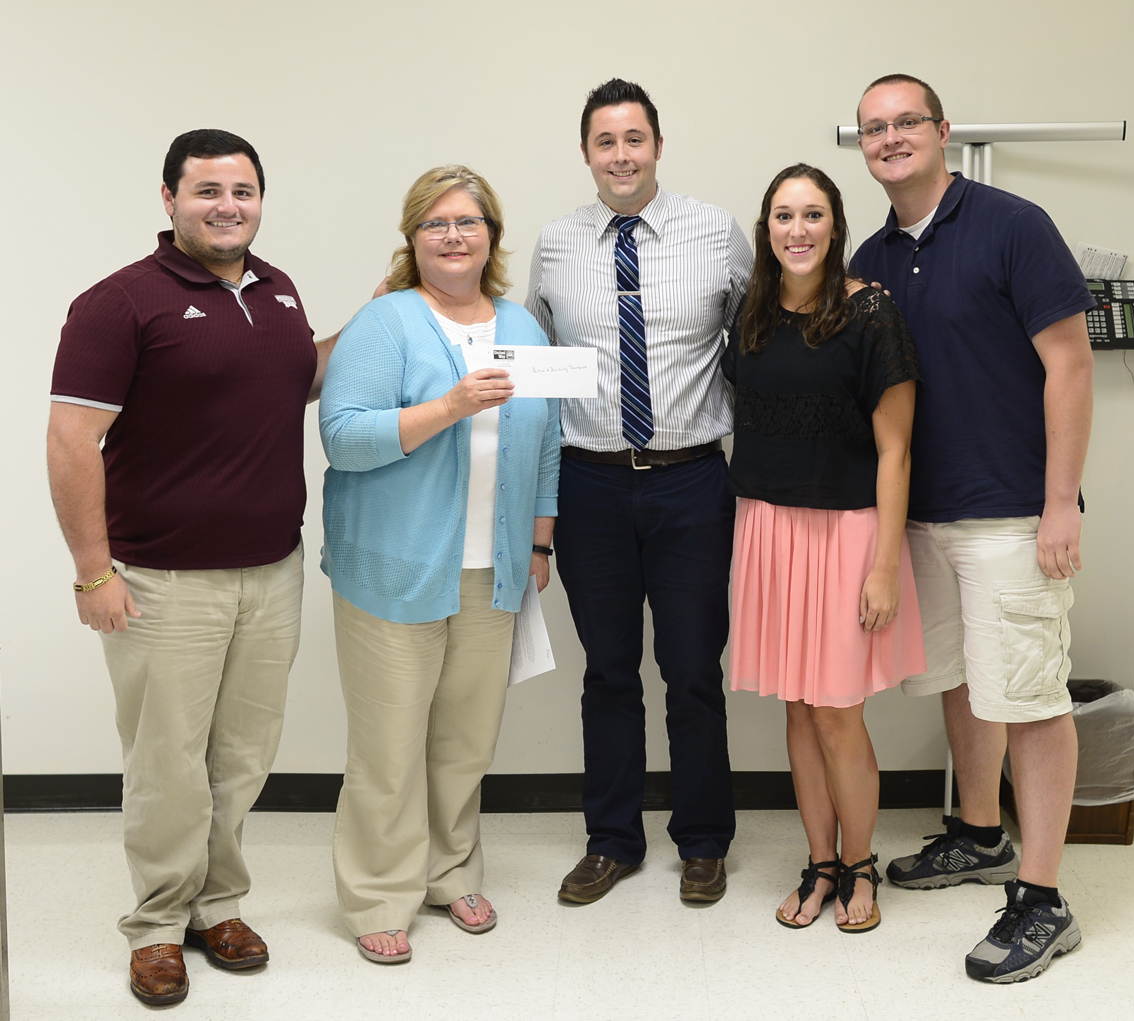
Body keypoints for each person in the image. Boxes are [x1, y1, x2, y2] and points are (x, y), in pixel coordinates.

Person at [47, 128, 336, 1006]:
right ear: (168, 198)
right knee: (167, 761)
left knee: (241, 758)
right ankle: (158, 926)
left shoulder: (276, 290)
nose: (227, 206)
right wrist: (94, 572)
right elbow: (71, 438)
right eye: (207, 191)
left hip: (270, 572)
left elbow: (292, 380)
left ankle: (219, 905)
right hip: (162, 582)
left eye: (242, 190)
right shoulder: (119, 303)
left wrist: (380, 317)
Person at [849, 74, 1094, 981]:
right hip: (921, 516)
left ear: (941, 130)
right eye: (873, 128)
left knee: (1028, 697)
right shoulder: (870, 256)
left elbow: (1068, 364)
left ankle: (1041, 898)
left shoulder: (1011, 224)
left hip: (1012, 510)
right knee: (962, 681)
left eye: (905, 121)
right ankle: (980, 832)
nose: (889, 137)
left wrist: (1060, 499)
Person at [319, 165, 560, 964]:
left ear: (491, 233)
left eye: (468, 222)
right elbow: (344, 438)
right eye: (435, 224)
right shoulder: (384, 322)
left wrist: (537, 538)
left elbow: (547, 439)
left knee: (464, 739)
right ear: (412, 237)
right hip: (394, 568)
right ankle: (377, 893)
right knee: (389, 745)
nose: (453, 236)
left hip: (489, 569)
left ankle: (448, 869)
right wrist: (451, 406)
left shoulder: (522, 326)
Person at [527, 79, 753, 904]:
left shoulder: (716, 232)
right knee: (608, 670)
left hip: (691, 481)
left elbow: (763, 333)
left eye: (634, 139)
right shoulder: (555, 245)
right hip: (590, 486)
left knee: (692, 667)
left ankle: (702, 839)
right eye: (604, 141)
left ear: (657, 144)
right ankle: (611, 839)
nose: (620, 155)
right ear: (585, 153)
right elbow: (536, 369)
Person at [724, 164, 925, 933]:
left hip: (847, 535)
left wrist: (882, 564)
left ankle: (862, 864)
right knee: (799, 710)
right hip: (770, 531)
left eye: (812, 215)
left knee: (839, 713)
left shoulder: (869, 311)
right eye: (783, 215)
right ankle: (820, 863)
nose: (797, 229)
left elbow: (895, 452)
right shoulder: (751, 316)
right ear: (766, 227)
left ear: (835, 226)